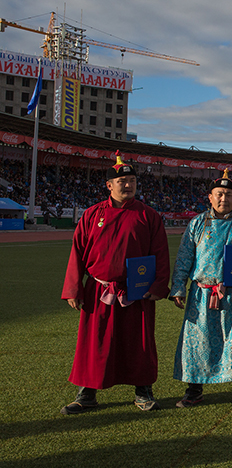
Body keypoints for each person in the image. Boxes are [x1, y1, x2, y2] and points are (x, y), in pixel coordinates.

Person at [60, 151, 170, 414]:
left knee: (139, 342)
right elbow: (77, 252)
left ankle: (143, 392)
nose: (128, 185)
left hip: (138, 291)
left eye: (132, 180)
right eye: (122, 181)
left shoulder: (149, 216)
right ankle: (86, 393)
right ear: (109, 185)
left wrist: (157, 287)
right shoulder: (91, 215)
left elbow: (161, 253)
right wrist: (74, 288)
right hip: (99, 290)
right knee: (94, 342)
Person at [170, 170, 232, 407]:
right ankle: (194, 390)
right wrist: (178, 288)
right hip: (202, 294)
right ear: (210, 197)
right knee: (198, 342)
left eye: (229, 194)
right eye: (219, 194)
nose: (224, 199)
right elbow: (185, 258)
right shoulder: (197, 223)